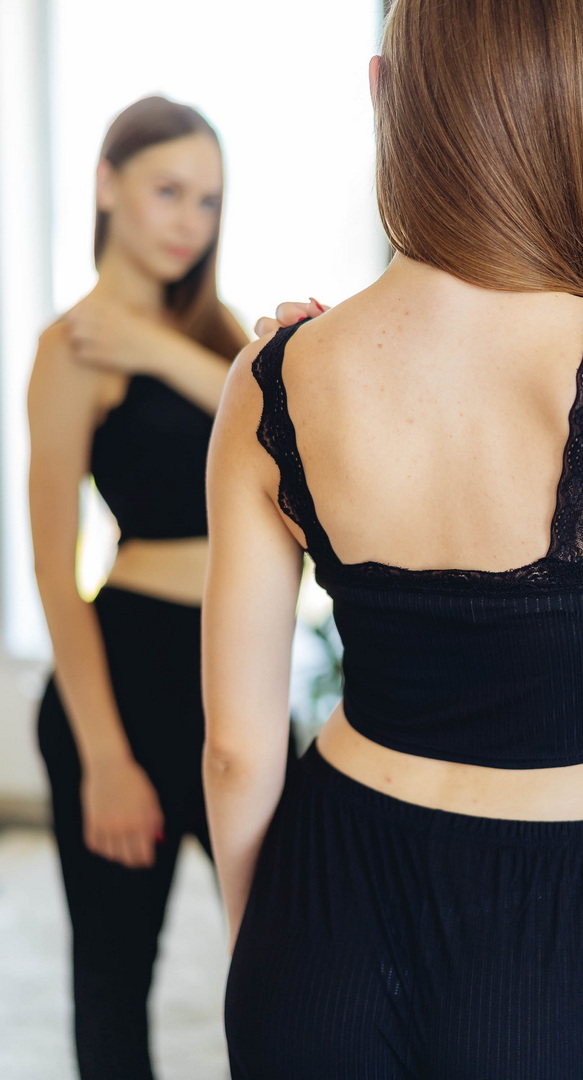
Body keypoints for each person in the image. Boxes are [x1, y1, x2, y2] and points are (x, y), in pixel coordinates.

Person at [203, 1, 583, 1077]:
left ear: (383, 92)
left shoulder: (274, 381)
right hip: (556, 963)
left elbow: (237, 753)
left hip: (321, 923)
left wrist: (264, 955)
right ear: (581, 103)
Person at [27, 95, 250, 1080]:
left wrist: (160, 348)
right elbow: (52, 565)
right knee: (116, 984)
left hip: (237, 675)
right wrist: (105, 757)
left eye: (208, 200)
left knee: (292, 959)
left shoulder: (221, 336)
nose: (188, 220)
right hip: (132, 675)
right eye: (168, 190)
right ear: (107, 185)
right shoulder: (72, 346)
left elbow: (286, 440)